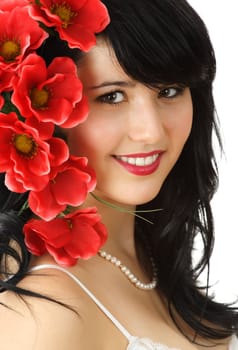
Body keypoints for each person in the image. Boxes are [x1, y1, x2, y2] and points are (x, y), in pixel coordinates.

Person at [0, 0, 237, 349]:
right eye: (112, 97)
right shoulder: (43, 315)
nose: (151, 132)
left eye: (169, 91)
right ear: (35, 116)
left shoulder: (151, 262)